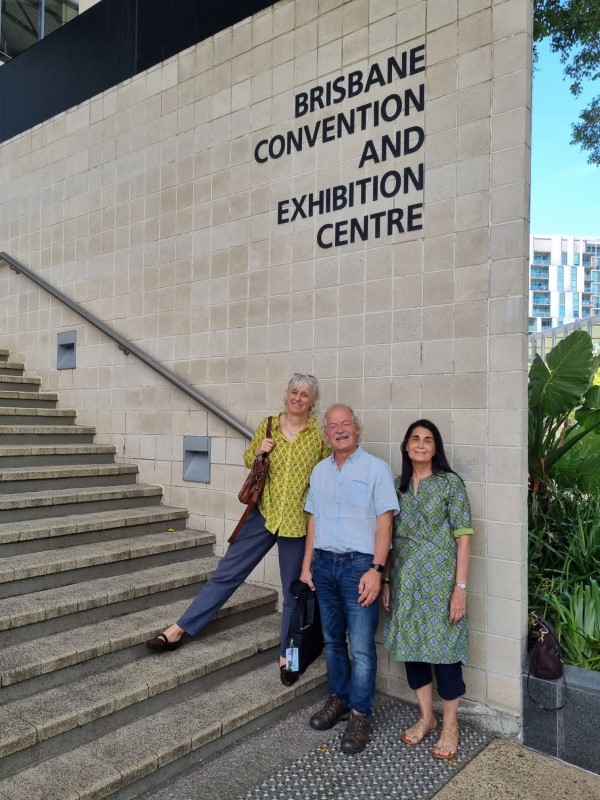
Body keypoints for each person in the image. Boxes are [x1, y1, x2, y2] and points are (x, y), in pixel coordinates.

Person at [146, 373, 330, 687]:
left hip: (297, 523)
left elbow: (327, 476)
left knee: (294, 594)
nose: (298, 398)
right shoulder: (269, 423)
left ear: (313, 401)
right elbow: (249, 459)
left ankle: (291, 658)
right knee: (227, 573)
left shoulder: (319, 436)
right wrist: (259, 449)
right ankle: (179, 628)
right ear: (286, 395)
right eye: (293, 392)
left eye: (305, 394)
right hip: (264, 515)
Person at [300, 404, 399, 754]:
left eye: (345, 424)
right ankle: (338, 699)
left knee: (360, 646)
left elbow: (386, 523)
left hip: (360, 566)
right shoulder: (319, 471)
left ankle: (360, 713)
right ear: (326, 434)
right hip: (324, 564)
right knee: (332, 641)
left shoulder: (377, 469)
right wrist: (307, 564)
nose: (339, 430)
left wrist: (377, 570)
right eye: (332, 426)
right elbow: (313, 519)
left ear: (356, 430)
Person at [382, 419, 473, 761]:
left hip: (442, 585)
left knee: (446, 654)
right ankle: (427, 717)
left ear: (436, 448)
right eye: (415, 439)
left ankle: (451, 724)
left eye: (428, 440)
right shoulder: (397, 487)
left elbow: (463, 538)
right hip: (406, 584)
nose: (420, 444)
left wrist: (460, 588)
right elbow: (388, 540)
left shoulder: (450, 485)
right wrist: (388, 579)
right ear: (406, 447)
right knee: (412, 651)